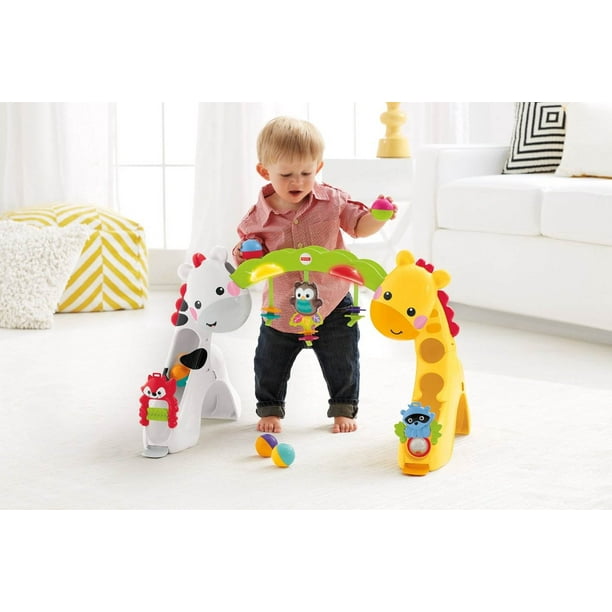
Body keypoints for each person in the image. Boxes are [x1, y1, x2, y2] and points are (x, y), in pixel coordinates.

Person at [233, 116, 396, 434]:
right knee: (269, 360)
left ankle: (343, 407)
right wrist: (247, 252)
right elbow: (246, 262)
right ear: (265, 172)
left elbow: (359, 226)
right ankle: (270, 408)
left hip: (333, 299)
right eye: (286, 174)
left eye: (306, 173)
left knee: (342, 357)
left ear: (318, 167)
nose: (297, 181)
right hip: (281, 307)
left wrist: (379, 216)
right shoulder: (256, 219)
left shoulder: (332, 201)